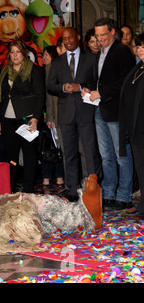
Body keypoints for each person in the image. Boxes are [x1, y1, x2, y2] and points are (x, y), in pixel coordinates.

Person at [47, 27, 101, 202]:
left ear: (78, 37)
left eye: (71, 37)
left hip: (86, 112)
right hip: (66, 114)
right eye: (64, 39)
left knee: (89, 152)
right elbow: (50, 86)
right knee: (68, 152)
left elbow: (97, 82)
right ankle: (72, 189)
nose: (68, 41)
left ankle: (92, 187)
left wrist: (81, 86)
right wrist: (63, 88)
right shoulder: (57, 62)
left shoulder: (92, 58)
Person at [87, 18, 135, 210]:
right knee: (105, 155)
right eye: (97, 36)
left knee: (121, 154)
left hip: (116, 109)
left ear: (113, 32)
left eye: (103, 35)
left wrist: (102, 93)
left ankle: (124, 195)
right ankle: (108, 193)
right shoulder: (100, 52)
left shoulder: (121, 51)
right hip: (100, 107)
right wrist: (89, 90)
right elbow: (100, 80)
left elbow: (126, 80)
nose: (100, 39)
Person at [0, 39, 45, 193]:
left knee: (29, 153)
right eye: (12, 52)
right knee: (11, 155)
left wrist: (35, 118)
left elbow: (40, 96)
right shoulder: (4, 71)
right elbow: (0, 97)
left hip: (27, 119)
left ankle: (29, 188)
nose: (15, 55)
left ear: (24, 54)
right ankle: (12, 187)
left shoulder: (34, 70)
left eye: (18, 52)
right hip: (7, 118)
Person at [119, 32, 144, 217]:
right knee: (141, 168)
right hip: (136, 128)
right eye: (138, 46)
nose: (140, 49)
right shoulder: (138, 68)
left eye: (143, 46)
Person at [41, 45, 64, 187]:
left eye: (47, 55)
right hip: (49, 116)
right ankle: (48, 177)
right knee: (48, 147)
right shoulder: (43, 71)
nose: (44, 58)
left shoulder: (54, 69)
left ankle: (58, 176)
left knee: (58, 147)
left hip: (57, 115)